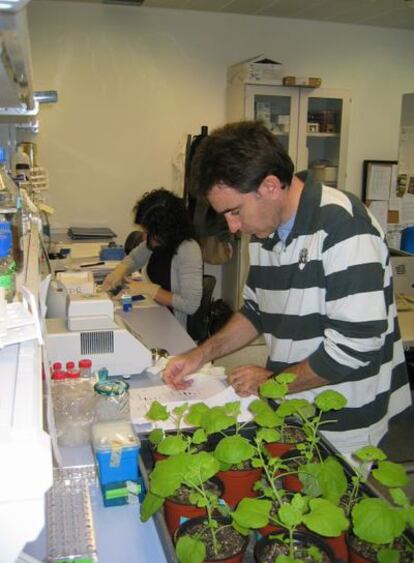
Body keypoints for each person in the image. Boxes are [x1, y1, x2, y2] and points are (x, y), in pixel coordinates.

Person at [163, 120, 412, 455]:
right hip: (294, 403)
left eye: (235, 212)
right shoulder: (266, 231)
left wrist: (272, 382)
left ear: (269, 185)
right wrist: (199, 355)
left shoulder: (344, 226)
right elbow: (255, 311)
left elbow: (355, 347)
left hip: (346, 418)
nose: (233, 227)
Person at [102, 188, 203, 331]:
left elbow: (190, 305)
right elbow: (134, 258)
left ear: (165, 229)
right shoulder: (157, 241)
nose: (144, 237)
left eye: (148, 231)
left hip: (174, 325)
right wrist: (119, 272)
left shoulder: (188, 250)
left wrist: (150, 290)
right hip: (156, 313)